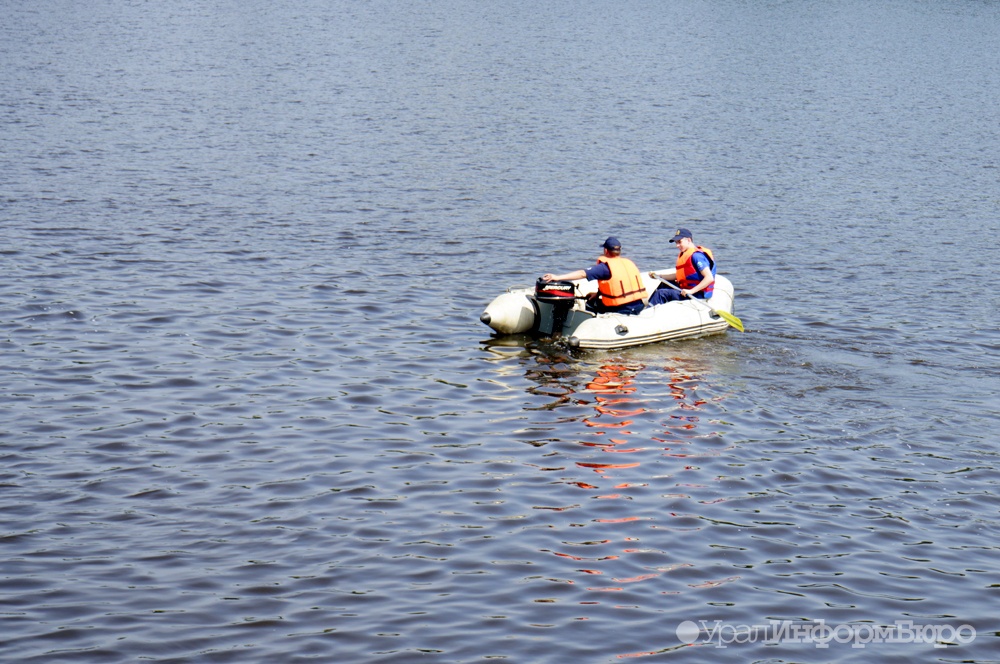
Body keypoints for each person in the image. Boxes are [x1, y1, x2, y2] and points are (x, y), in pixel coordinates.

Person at [541, 237, 646, 315]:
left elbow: (582, 274)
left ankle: (591, 326)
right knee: (596, 299)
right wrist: (598, 293)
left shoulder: (605, 267)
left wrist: (557, 277)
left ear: (605, 250)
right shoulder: (628, 263)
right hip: (638, 306)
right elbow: (619, 285)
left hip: (621, 309)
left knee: (590, 304)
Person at [647, 228, 716, 306]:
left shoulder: (697, 256)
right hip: (688, 289)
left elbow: (709, 278)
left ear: (689, 240)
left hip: (697, 294)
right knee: (664, 284)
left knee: (661, 294)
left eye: (680, 242)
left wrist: (691, 291)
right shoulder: (686, 254)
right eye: (676, 243)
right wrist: (659, 276)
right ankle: (651, 307)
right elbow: (679, 276)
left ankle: (648, 313)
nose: (677, 245)